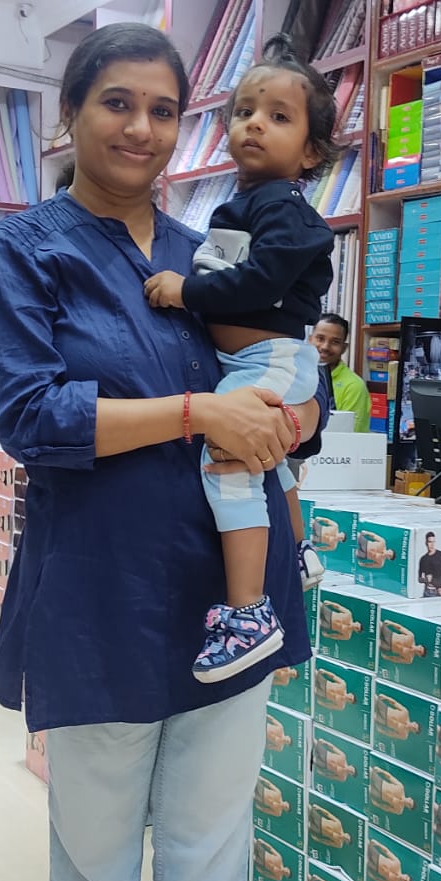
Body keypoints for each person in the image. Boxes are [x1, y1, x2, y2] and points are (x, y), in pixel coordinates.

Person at [0, 22, 326, 881]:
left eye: (164, 110)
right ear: (71, 112)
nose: (142, 128)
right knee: (95, 850)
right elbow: (32, 416)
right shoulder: (23, 251)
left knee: (211, 845)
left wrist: (295, 415)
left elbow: (281, 366)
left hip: (228, 594)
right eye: (117, 102)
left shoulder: (212, 249)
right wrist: (195, 413)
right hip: (101, 586)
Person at [142, 34, 335, 681]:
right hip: (252, 363)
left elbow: (259, 281)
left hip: (270, 358)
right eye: (245, 111)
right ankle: (298, 552)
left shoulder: (282, 206)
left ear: (310, 151)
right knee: (267, 462)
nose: (255, 124)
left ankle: (248, 612)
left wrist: (186, 292)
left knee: (228, 460)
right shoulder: (245, 203)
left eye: (278, 116)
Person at [310, 312, 371, 432]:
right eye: (320, 339)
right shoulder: (295, 376)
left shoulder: (354, 386)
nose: (325, 347)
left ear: (344, 348)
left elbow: (349, 435)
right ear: (310, 340)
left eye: (335, 342)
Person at [418, 531, 441, 596]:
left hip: (437, 591)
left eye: (433, 542)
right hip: (427, 591)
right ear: (426, 543)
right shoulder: (423, 559)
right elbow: (419, 579)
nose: (432, 544)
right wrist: (426, 580)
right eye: (430, 542)